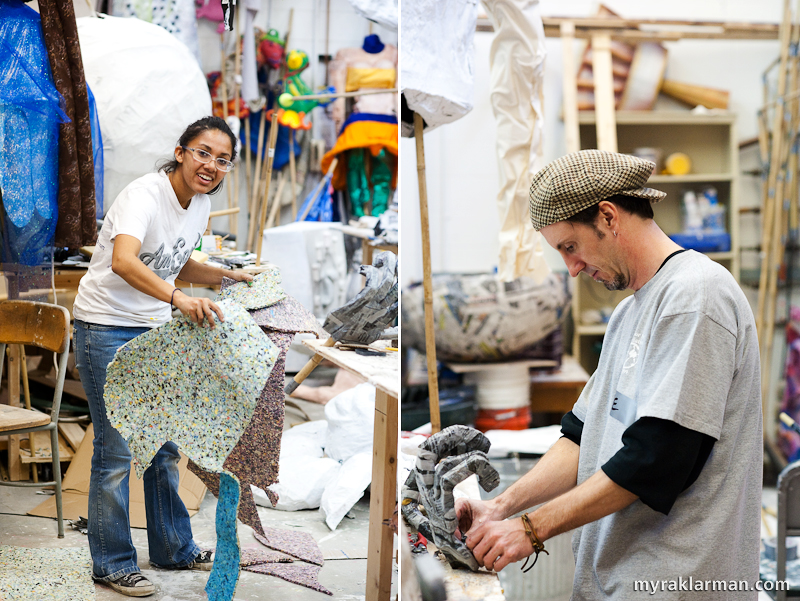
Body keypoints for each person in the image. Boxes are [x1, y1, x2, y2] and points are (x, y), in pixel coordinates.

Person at [456, 150, 762, 599]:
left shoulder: (696, 295)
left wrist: (530, 529)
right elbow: (583, 436)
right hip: (618, 579)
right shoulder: (627, 314)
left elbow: (657, 458)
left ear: (608, 216)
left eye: (570, 247)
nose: (572, 268)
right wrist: (499, 509)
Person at [73, 115, 253, 597]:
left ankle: (173, 547)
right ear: (180, 152)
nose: (210, 165)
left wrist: (224, 276)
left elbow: (174, 259)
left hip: (152, 332)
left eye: (222, 159)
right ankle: (111, 563)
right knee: (116, 452)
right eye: (202, 152)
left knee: (165, 446)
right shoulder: (143, 195)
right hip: (105, 328)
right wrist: (178, 299)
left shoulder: (197, 205)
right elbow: (124, 260)